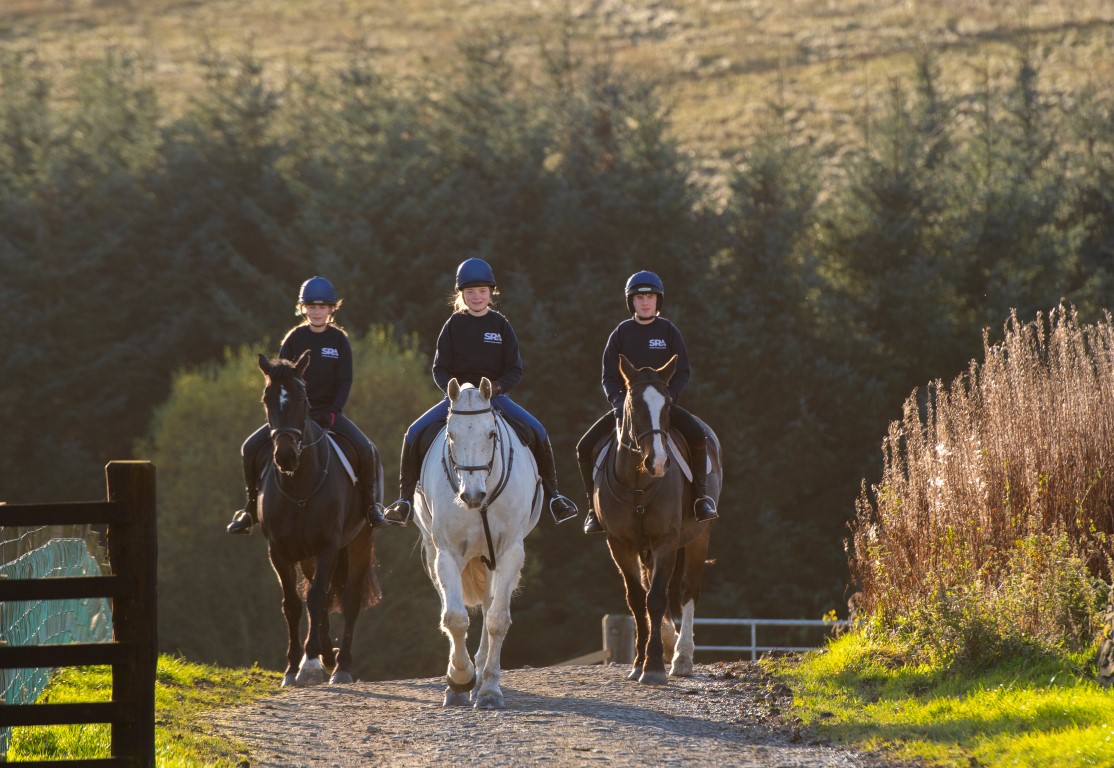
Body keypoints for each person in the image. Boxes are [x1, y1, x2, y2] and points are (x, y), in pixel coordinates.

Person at [382, 257, 578, 526]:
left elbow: (515, 370)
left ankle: (554, 498)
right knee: (413, 433)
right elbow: (440, 369)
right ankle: (404, 501)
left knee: (539, 431)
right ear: (461, 294)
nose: (477, 297)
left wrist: (496, 387)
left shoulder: (501, 326)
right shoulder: (452, 326)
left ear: (491, 293)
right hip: (459, 402)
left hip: (494, 399)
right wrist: (454, 392)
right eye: (471, 292)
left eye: (482, 291)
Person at [226, 276, 388, 533]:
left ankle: (371, 507)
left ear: (332, 309)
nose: (317, 312)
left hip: (328, 413)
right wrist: (284, 417)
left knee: (366, 449)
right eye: (311, 307)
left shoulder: (339, 340)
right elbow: (280, 381)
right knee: (249, 448)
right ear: (303, 309)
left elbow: (345, 381)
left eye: (322, 307)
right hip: (292, 417)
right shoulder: (293, 338)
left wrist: (334, 412)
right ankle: (249, 510)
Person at [576, 270, 719, 534]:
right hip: (630, 408)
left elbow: (683, 370)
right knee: (584, 446)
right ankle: (592, 511)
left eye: (650, 297)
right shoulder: (621, 333)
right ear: (631, 302)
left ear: (658, 301)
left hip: (662, 407)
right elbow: (609, 376)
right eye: (639, 297)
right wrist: (619, 403)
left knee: (699, 434)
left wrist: (670, 398)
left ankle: (701, 499)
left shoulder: (668, 331)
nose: (645, 302)